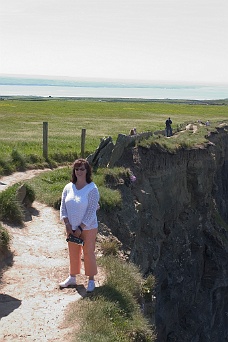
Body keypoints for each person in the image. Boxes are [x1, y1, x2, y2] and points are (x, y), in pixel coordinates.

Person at [59, 158, 100, 292]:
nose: (79, 171)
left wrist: (81, 227)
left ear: (87, 171)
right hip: (72, 227)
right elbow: (63, 206)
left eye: (82, 169)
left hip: (88, 227)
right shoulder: (68, 187)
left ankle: (91, 280)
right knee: (73, 252)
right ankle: (72, 277)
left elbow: (91, 210)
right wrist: (67, 224)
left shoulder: (92, 189)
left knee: (88, 253)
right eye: (77, 169)